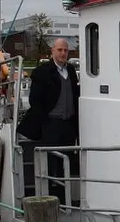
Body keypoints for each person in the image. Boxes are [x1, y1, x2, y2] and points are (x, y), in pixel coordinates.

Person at [17, 38, 80, 204]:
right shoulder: (42, 71)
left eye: (65, 50)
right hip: (51, 123)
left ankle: (64, 198)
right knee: (51, 161)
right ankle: (52, 199)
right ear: (52, 51)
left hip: (68, 124)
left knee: (66, 160)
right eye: (59, 50)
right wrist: (44, 121)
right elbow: (35, 100)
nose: (63, 53)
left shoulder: (71, 72)